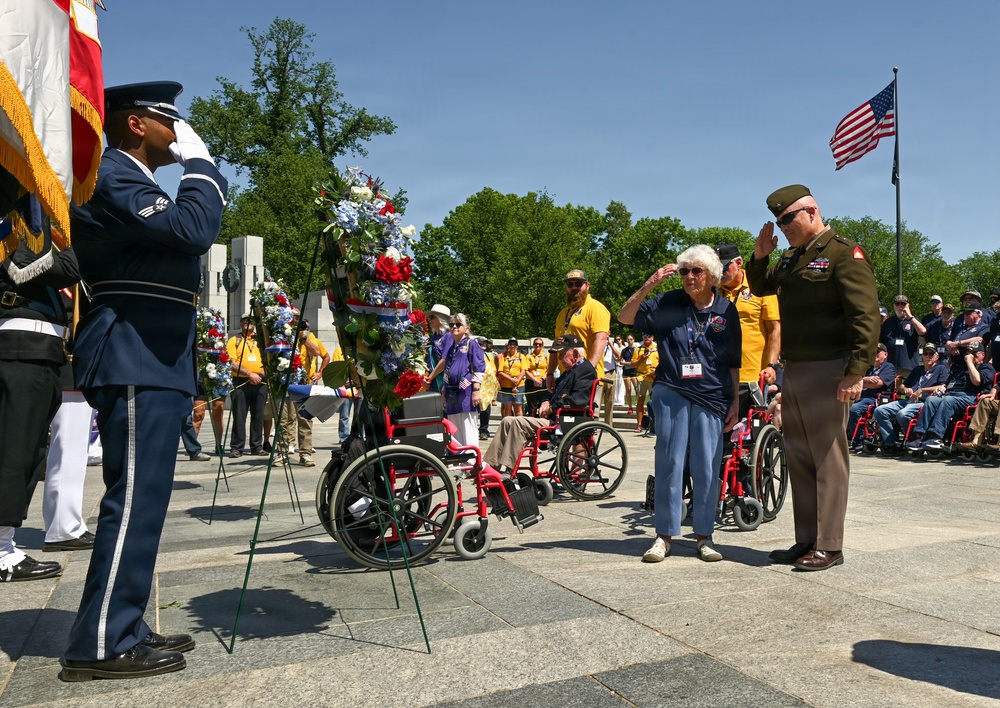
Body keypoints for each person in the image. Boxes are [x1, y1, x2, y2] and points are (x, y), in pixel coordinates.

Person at [62, 81, 227, 680]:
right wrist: (203, 169)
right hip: (132, 351)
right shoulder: (112, 174)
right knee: (131, 503)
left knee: (144, 504)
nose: (177, 131)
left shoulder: (134, 180)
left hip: (151, 355)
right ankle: (100, 641)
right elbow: (192, 231)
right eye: (169, 120)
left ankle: (123, 621)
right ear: (137, 124)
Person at [747, 184, 879, 572]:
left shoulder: (843, 253)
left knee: (828, 457)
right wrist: (759, 257)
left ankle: (830, 545)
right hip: (797, 369)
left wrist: (856, 372)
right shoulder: (791, 258)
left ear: (811, 211)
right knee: (800, 457)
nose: (783, 226)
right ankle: (806, 538)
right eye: (778, 220)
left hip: (830, 369)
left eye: (788, 218)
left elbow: (865, 317)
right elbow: (761, 286)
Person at [618, 245, 741, 564]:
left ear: (712, 276)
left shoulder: (726, 310)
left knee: (707, 468)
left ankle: (705, 537)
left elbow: (732, 359)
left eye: (696, 271)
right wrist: (650, 284)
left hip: (712, 395)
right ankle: (663, 536)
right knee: (669, 464)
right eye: (684, 270)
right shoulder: (668, 302)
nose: (688, 276)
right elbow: (625, 316)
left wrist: (735, 401)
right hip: (671, 391)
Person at [0, 199, 79, 583]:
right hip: (20, 348)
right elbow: (56, 267)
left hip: (40, 350)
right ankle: (0, 551)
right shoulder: (14, 217)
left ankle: (5, 543)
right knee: (13, 452)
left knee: (28, 453)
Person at [482, 335, 597, 473]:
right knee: (507, 421)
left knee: (518, 423)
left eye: (562, 354)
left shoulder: (585, 371)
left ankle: (509, 469)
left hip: (564, 421)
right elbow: (551, 393)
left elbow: (578, 399)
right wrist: (546, 401)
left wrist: (553, 408)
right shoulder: (569, 371)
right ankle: (490, 466)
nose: (559, 358)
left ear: (576, 353)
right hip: (555, 418)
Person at [715, 243, 781, 418]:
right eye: (715, 267)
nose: (720, 272)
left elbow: (775, 329)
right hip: (718, 373)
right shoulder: (713, 292)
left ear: (738, 263)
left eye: (723, 266)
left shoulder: (760, 287)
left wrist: (772, 365)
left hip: (752, 374)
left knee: (748, 430)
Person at [906, 339, 995, 451]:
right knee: (931, 400)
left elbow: (977, 381)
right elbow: (947, 384)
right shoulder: (961, 368)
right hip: (951, 394)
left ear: (982, 355)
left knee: (948, 400)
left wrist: (969, 363)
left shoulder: (986, 368)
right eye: (968, 353)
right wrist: (943, 388)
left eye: (973, 353)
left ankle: (936, 436)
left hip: (970, 397)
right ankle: (919, 434)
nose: (970, 356)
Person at [873, 343, 949, 453]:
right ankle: (892, 442)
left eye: (931, 354)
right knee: (880, 410)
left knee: (902, 414)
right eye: (925, 353)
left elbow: (943, 386)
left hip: (925, 402)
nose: (927, 356)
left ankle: (915, 437)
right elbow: (902, 385)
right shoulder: (918, 369)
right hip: (908, 400)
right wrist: (905, 389)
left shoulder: (941, 368)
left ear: (937, 356)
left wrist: (922, 390)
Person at [546, 269, 611, 392]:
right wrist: (550, 374)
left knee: (587, 412)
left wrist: (588, 369)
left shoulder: (595, 308)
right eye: (570, 284)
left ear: (587, 286)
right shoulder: (563, 313)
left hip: (587, 379)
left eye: (578, 283)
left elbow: (601, 339)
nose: (574, 287)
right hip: (566, 378)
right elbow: (556, 344)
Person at [426, 313, 485, 446]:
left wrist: (476, 390)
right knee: (455, 432)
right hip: (452, 394)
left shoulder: (472, 344)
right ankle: (461, 463)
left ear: (467, 328)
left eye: (458, 324)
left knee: (468, 431)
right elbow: (447, 370)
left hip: (466, 394)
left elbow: (479, 368)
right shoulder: (452, 347)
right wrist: (443, 393)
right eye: (452, 324)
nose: (454, 327)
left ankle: (472, 462)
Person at [227, 315, 268, 457]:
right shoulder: (234, 340)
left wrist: (260, 375)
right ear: (240, 323)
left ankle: (256, 447)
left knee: (258, 416)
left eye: (250, 320)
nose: (247, 322)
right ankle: (236, 448)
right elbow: (231, 362)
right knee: (239, 416)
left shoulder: (261, 341)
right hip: (241, 382)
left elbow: (269, 360)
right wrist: (250, 374)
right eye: (244, 320)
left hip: (261, 382)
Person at [847, 343, 895, 451]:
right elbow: (854, 380)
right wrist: (866, 379)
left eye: (878, 352)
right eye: (873, 352)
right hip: (860, 396)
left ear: (885, 354)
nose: (875, 354)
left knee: (854, 410)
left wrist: (861, 380)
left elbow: (877, 384)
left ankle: (859, 441)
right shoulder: (868, 367)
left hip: (875, 399)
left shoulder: (889, 367)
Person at [880, 295, 925, 379]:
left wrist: (910, 316)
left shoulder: (913, 321)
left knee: (908, 391)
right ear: (894, 306)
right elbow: (881, 343)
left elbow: (923, 331)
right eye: (897, 304)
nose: (900, 307)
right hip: (890, 366)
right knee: (890, 391)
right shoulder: (888, 322)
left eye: (903, 304)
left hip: (909, 366)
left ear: (908, 306)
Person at [630, 333, 658, 432]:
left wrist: (656, 371)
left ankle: (654, 424)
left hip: (654, 378)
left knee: (653, 401)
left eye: (649, 336)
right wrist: (641, 359)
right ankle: (639, 424)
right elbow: (633, 364)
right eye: (645, 336)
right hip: (641, 377)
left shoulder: (657, 348)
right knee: (640, 401)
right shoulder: (638, 349)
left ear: (653, 337)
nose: (647, 338)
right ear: (642, 337)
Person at [497, 338, 527, 417]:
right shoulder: (503, 357)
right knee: (507, 408)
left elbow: (523, 370)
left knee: (518, 407)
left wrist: (516, 381)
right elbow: (500, 371)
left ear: (517, 346)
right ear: (508, 346)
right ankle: (509, 427)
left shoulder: (521, 356)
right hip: (506, 386)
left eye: (514, 344)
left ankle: (519, 427)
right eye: (511, 344)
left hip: (519, 386)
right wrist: (511, 379)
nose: (513, 346)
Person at [425, 303, 451, 393]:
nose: (429, 320)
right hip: (432, 382)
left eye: (432, 317)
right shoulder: (432, 338)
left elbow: (445, 360)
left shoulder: (449, 336)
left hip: (444, 382)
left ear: (441, 318)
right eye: (429, 317)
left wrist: (430, 377)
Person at [522, 337, 548, 418]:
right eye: (536, 344)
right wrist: (535, 379)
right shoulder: (528, 356)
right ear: (533, 345)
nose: (537, 345)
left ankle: (542, 424)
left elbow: (549, 370)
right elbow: (525, 370)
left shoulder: (546, 356)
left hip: (543, 383)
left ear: (542, 346)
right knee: (531, 406)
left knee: (542, 405)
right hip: (531, 383)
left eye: (540, 344)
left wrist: (542, 379)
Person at [620, 334, 638, 414]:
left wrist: (627, 363)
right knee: (628, 389)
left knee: (637, 389)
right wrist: (628, 363)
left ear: (634, 340)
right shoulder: (624, 350)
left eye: (631, 339)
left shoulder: (637, 349)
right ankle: (630, 407)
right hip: (626, 372)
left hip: (635, 371)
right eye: (628, 339)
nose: (629, 341)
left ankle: (639, 406)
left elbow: (637, 361)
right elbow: (621, 361)